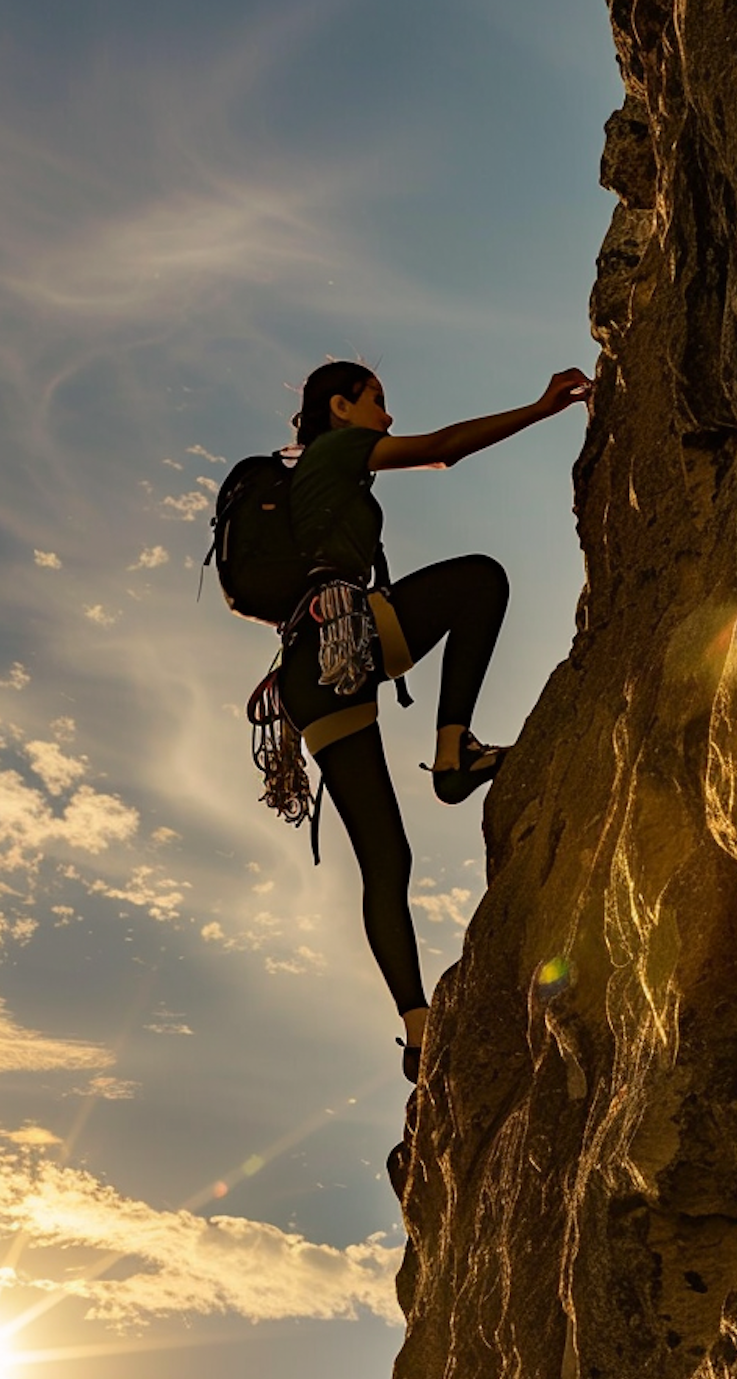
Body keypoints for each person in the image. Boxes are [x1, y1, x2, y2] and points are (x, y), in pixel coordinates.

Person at [275, 361, 591, 1081]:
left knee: (386, 860)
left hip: (305, 675)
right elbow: (445, 446)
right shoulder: (338, 448)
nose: (387, 416)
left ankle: (418, 1032)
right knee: (478, 582)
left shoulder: (307, 475)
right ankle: (453, 753)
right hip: (344, 634)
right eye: (377, 402)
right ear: (341, 405)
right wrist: (542, 408)